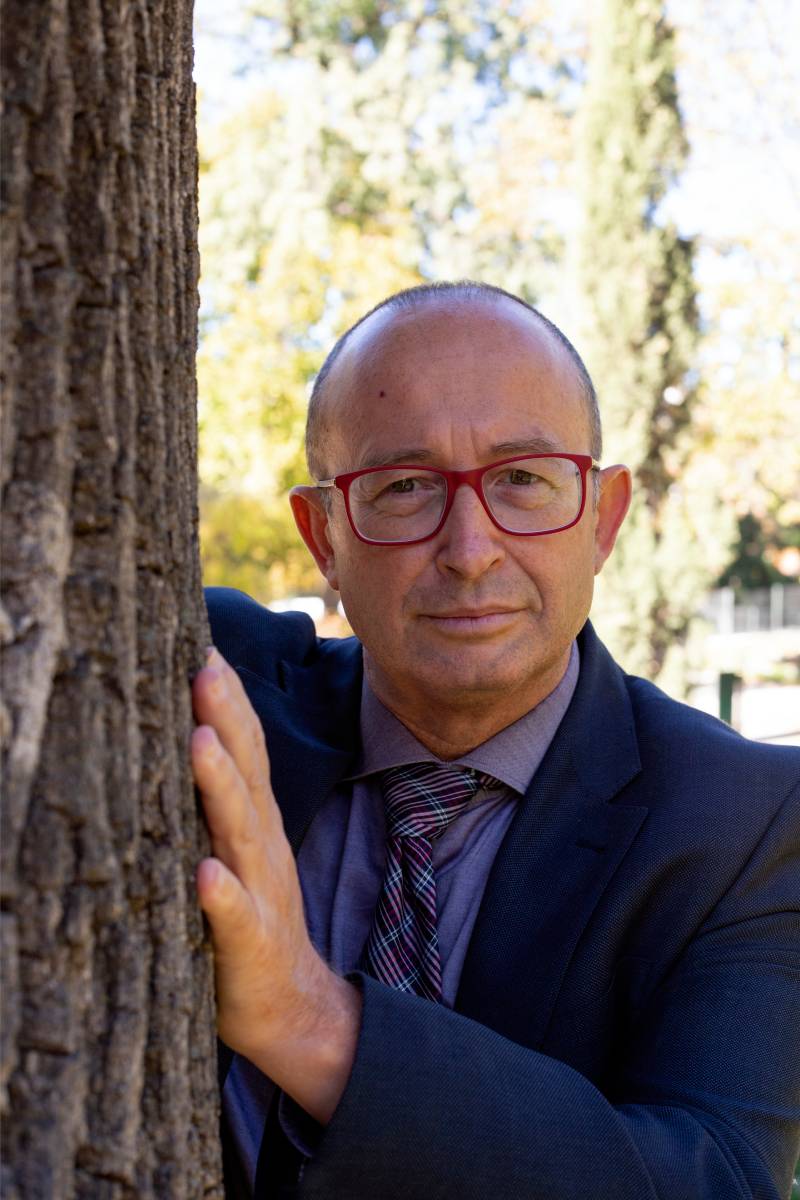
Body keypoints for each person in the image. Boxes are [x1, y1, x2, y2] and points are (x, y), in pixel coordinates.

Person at [191, 281, 800, 1199]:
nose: (471, 548)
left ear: (602, 517)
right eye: (403, 487)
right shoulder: (216, 685)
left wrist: (311, 1022)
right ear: (322, 535)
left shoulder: (747, 821)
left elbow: (716, 1179)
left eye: (522, 479)